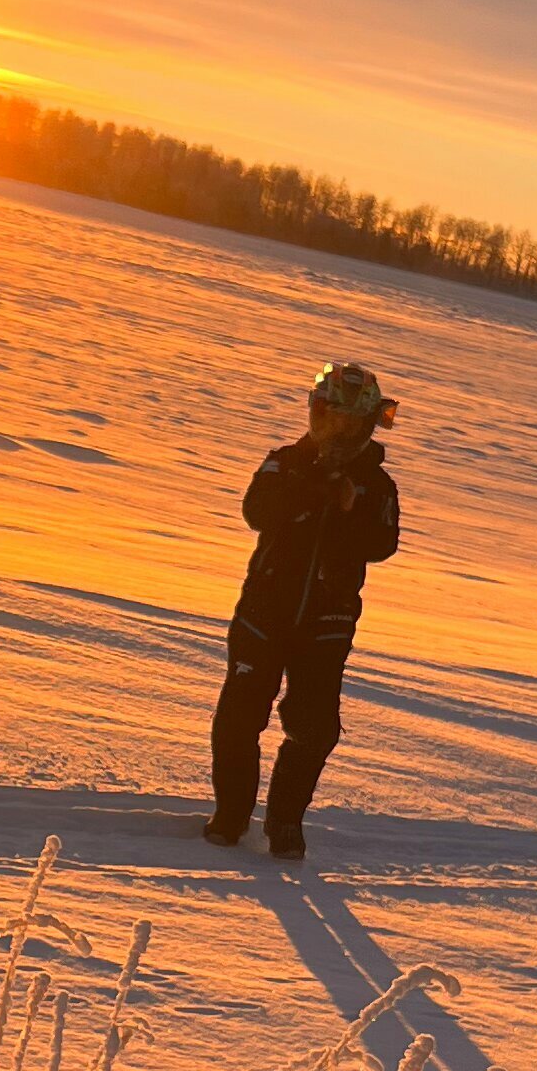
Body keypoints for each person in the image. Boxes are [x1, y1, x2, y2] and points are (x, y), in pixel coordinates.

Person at [204, 360, 402, 860]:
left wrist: (349, 509)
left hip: (327, 622)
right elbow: (257, 511)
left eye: (350, 423)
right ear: (316, 414)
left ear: (366, 425)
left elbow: (382, 544)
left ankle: (285, 822)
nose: (339, 432)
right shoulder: (285, 462)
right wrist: (313, 490)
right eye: (331, 419)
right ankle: (231, 816)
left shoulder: (377, 484)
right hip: (263, 611)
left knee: (315, 729)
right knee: (239, 716)